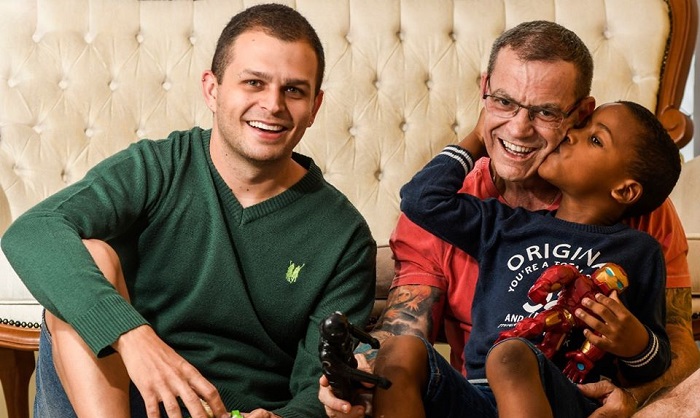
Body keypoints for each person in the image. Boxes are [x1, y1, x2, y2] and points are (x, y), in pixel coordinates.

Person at [1, 4, 376, 418]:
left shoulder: (343, 235)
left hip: (236, 412)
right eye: (254, 82)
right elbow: (34, 231)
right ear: (212, 90)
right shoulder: (157, 167)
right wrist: (130, 334)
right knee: (89, 256)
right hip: (120, 398)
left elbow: (319, 387)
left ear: (315, 105)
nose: (273, 104)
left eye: (294, 90)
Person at [319, 20, 699, 418]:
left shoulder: (637, 217)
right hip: (481, 397)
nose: (518, 128)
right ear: (484, 91)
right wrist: (361, 374)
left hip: (585, 397)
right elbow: (403, 328)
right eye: (503, 101)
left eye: (545, 111)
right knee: (402, 354)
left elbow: (675, 344)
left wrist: (636, 396)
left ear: (581, 114)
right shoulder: (479, 214)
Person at [370, 100, 679, 418]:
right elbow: (421, 200)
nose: (571, 134)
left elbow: (656, 361)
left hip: (563, 396)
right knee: (400, 349)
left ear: (625, 191)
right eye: (581, 127)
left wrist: (636, 344)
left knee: (510, 354)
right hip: (477, 395)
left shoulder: (638, 251)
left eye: (595, 139)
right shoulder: (503, 225)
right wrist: (481, 133)